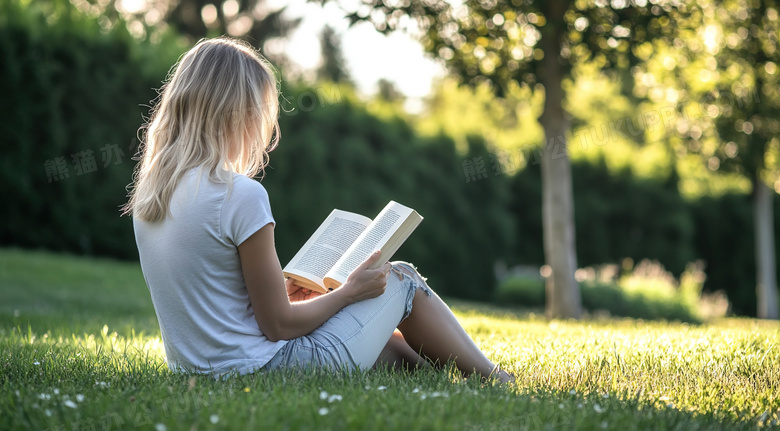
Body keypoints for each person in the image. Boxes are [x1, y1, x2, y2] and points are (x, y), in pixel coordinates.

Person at [124, 37, 514, 384]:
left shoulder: (151, 198)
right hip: (269, 370)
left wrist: (291, 295)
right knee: (403, 278)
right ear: (236, 113)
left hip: (202, 372)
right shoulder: (237, 194)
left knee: (389, 347)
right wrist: (348, 292)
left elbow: (224, 307)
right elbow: (277, 325)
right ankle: (499, 380)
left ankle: (449, 381)